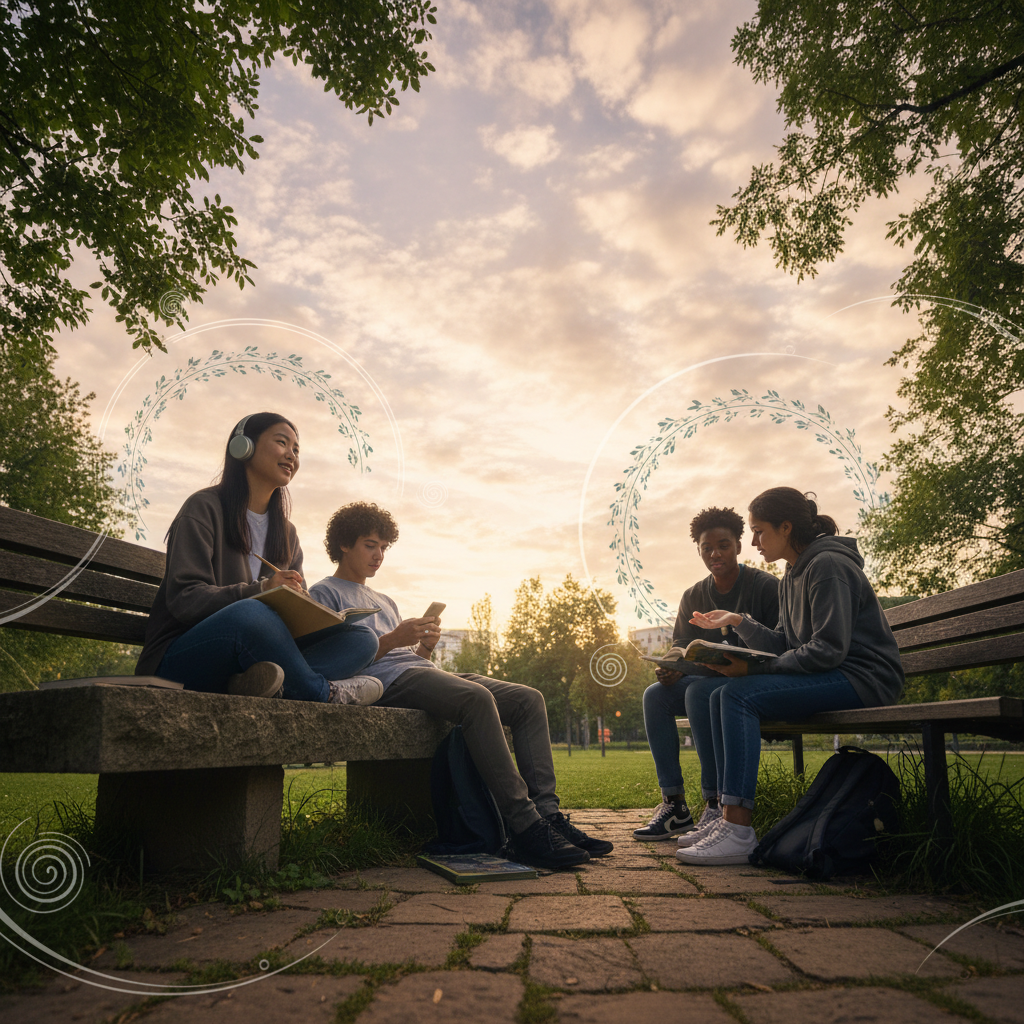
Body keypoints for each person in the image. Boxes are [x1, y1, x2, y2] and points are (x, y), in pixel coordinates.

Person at [308, 501, 615, 870]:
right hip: (384, 683)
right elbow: (335, 664)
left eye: (384, 547)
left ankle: (548, 816)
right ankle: (524, 825)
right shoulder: (325, 593)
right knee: (476, 698)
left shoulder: (383, 599)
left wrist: (424, 646)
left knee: (527, 699)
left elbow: (412, 661)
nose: (379, 556)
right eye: (370, 545)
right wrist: (392, 639)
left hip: (416, 670)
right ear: (344, 544)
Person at [674, 487, 905, 865]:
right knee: (717, 694)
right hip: (834, 674)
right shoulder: (795, 570)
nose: (753, 541)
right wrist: (738, 622)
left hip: (863, 678)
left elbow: (829, 649)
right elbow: (784, 641)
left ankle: (738, 830)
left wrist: (754, 668)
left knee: (736, 695)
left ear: (785, 527)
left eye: (759, 531)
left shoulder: (828, 566)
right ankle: (726, 817)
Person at [135, 412, 380, 703]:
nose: (292, 455)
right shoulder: (203, 508)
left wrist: (307, 609)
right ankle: (320, 692)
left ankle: (259, 684)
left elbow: (289, 619)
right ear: (244, 447)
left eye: (296, 449)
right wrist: (262, 591)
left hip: (249, 659)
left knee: (362, 639)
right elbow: (186, 600)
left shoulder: (286, 533)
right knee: (252, 612)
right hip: (183, 656)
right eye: (282, 442)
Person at [634, 507, 779, 841]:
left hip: (750, 680)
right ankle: (674, 805)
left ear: (739, 546)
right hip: (706, 677)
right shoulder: (693, 595)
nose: (715, 554)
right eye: (706, 548)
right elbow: (681, 644)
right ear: (698, 550)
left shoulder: (764, 587)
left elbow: (779, 644)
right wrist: (670, 665)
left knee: (698, 692)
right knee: (655, 695)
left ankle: (714, 804)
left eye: (723, 545)